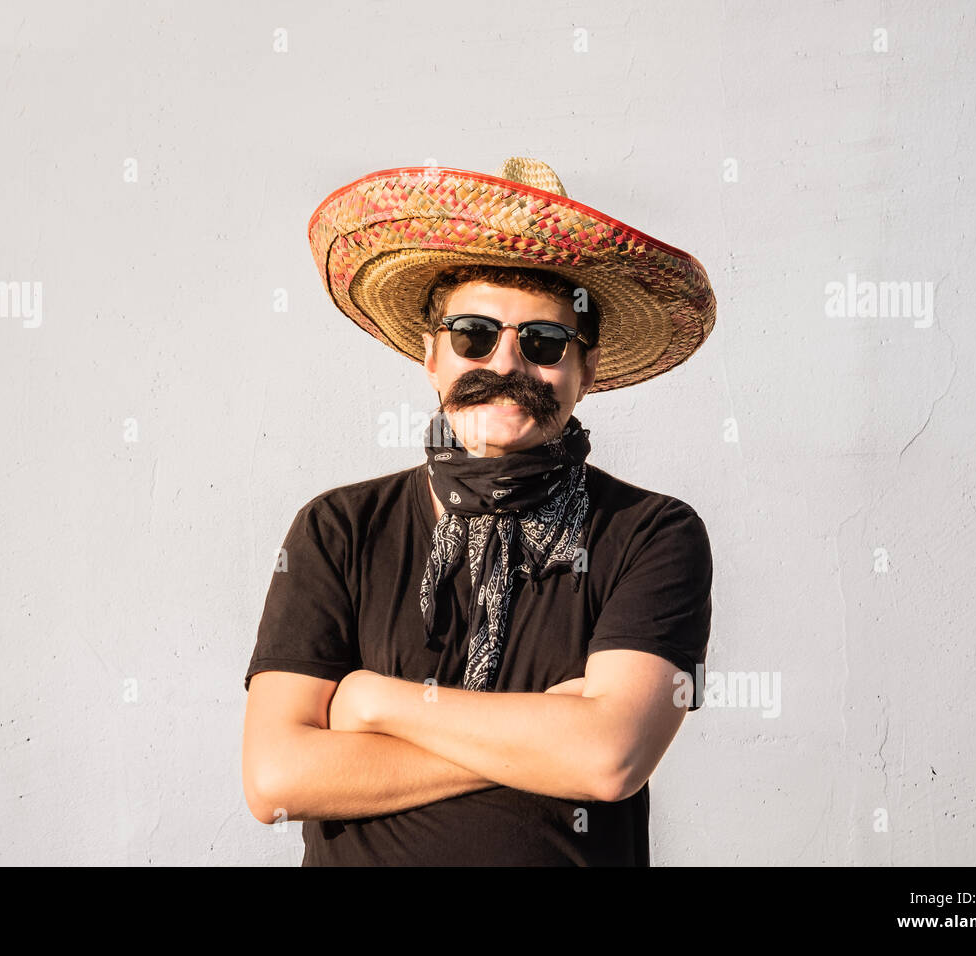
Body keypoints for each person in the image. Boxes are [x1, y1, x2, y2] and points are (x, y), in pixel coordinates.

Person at [241, 157, 718, 865]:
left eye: (545, 343)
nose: (508, 364)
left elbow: (610, 759)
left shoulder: (650, 534)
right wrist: (552, 732)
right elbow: (276, 779)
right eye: (474, 335)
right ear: (430, 356)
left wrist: (373, 704)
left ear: (584, 373)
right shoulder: (339, 528)